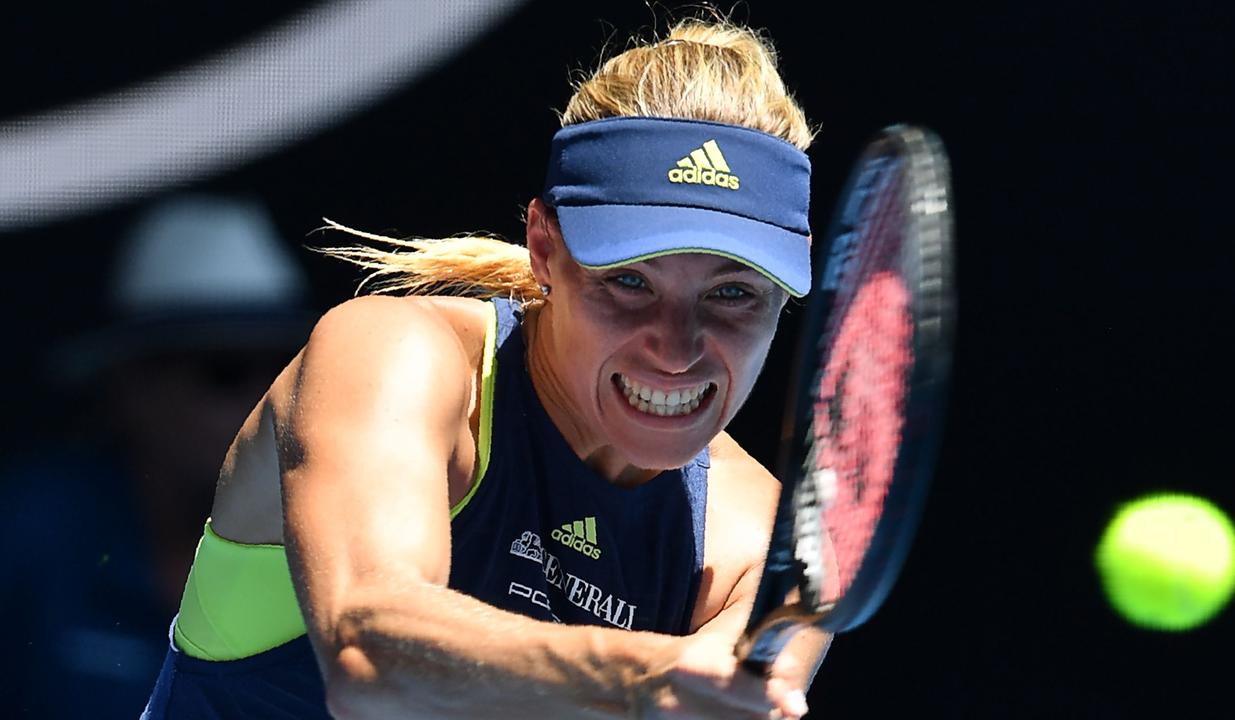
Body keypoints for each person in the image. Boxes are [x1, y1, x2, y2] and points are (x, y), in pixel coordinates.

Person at [143, 17, 830, 719]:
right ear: (544, 249)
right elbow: (369, 657)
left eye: (733, 294)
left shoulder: (758, 537)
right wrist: (650, 673)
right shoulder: (394, 357)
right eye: (629, 282)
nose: (678, 347)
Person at [0, 194, 315, 718]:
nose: (269, 404)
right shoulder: (29, 532)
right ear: (130, 388)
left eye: (286, 372)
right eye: (225, 371)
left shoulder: (342, 548)